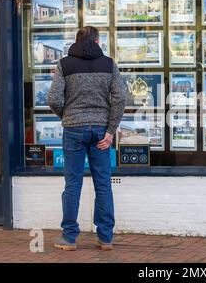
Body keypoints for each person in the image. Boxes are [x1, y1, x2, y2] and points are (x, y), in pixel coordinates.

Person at [47, 26, 126, 251]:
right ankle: (105, 237)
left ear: (76, 41)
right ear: (98, 41)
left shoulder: (64, 64)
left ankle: (70, 237)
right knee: (103, 183)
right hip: (101, 130)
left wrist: (68, 115)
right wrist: (110, 131)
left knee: (73, 183)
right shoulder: (109, 64)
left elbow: (53, 98)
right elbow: (120, 98)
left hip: (73, 130)